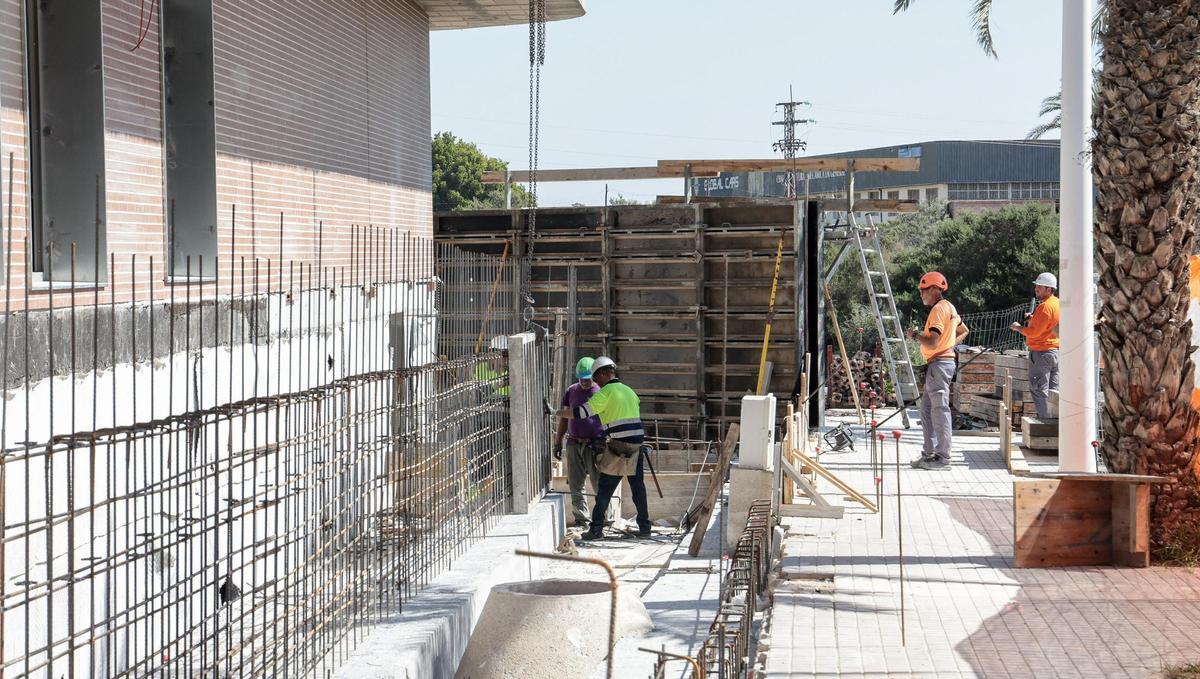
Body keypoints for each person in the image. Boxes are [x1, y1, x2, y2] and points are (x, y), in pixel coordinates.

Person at [558, 356, 652, 539]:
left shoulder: (605, 393)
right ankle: (645, 528)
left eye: (595, 378)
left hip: (619, 447)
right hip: (637, 446)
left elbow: (581, 413)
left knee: (604, 489)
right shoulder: (629, 391)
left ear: (602, 374)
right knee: (638, 489)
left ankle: (596, 529)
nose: (595, 382)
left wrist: (556, 412)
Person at [906, 271, 969, 470]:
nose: (921, 294)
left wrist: (915, 335)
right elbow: (964, 330)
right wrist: (949, 344)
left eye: (923, 290)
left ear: (934, 289)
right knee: (926, 409)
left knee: (939, 411)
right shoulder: (949, 307)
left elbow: (933, 340)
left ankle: (942, 458)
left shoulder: (938, 310)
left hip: (939, 364)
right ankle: (929, 453)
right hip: (940, 363)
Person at [553, 357, 614, 527]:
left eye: (587, 379)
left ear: (594, 377)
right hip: (574, 442)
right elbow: (565, 419)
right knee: (575, 483)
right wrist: (558, 442)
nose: (584, 382)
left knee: (599, 483)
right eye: (581, 379)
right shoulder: (571, 391)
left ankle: (606, 518)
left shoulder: (602, 392)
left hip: (596, 444)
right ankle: (581, 518)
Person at [1010, 272, 1060, 419]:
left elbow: (1035, 333)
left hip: (1041, 353)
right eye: (1036, 286)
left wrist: (1018, 327)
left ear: (1049, 289)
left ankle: (1046, 425)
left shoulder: (1044, 307)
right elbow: (1048, 324)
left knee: (1039, 390)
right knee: (1054, 392)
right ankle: (1057, 427)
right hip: (1055, 352)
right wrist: (1033, 318)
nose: (1036, 289)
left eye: (1040, 287)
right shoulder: (1057, 304)